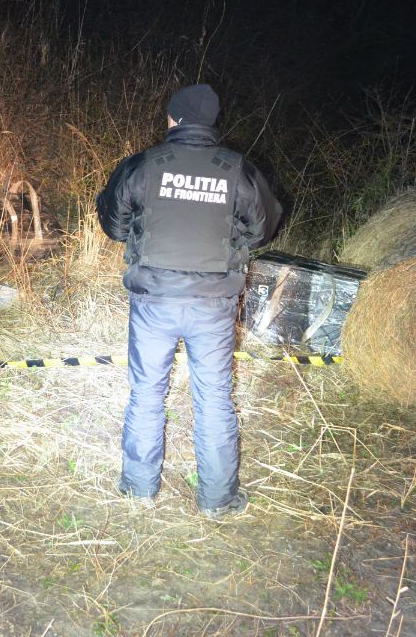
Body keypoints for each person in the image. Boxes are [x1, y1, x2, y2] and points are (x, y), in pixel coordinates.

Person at [95, 84, 283, 519]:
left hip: (154, 301)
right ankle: (218, 500)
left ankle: (139, 490)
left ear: (174, 118)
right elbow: (264, 228)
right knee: (215, 397)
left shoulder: (144, 165)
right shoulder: (237, 169)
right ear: (211, 121)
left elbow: (113, 224)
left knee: (146, 393)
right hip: (213, 305)